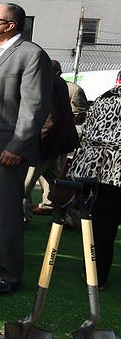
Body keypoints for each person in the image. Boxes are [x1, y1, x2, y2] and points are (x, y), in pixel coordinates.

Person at [0, 3, 52, 296]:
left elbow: (35, 105)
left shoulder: (31, 55)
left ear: (11, 25)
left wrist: (18, 144)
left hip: (7, 150)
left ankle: (9, 273)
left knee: (7, 215)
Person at [68, 78, 121, 290]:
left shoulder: (103, 98)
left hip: (94, 167)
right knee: (106, 226)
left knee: (99, 225)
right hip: (114, 168)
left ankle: (93, 273)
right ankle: (97, 276)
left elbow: (88, 130)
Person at [24, 60, 79, 219]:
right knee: (57, 181)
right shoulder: (60, 82)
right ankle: (71, 215)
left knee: (24, 185)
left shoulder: (45, 82)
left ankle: (23, 217)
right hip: (59, 141)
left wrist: (40, 142)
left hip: (46, 143)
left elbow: (50, 118)